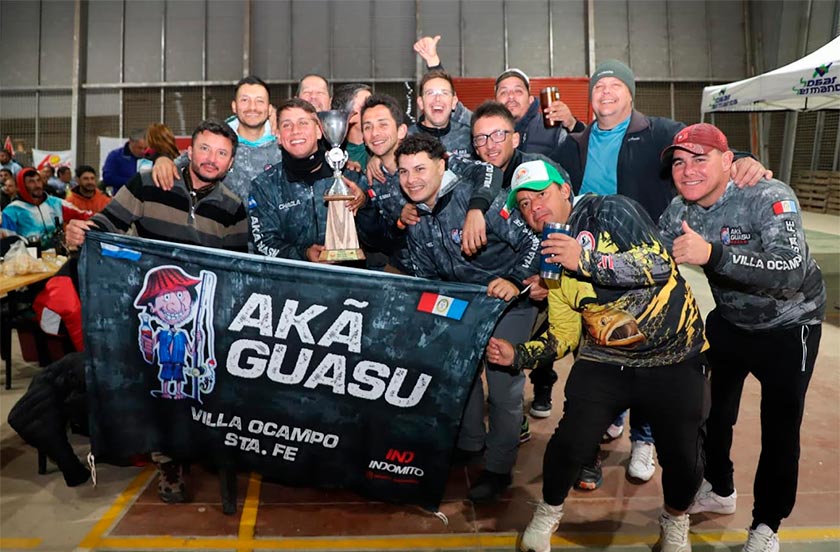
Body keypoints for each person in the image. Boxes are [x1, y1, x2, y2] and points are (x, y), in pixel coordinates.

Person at [555, 59, 772, 483]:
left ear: (630, 93)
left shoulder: (658, 131)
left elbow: (707, 150)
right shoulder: (575, 142)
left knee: (651, 350)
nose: (606, 92)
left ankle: (644, 439)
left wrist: (745, 161)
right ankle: (603, 426)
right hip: (595, 264)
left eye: (615, 85)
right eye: (599, 87)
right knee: (601, 344)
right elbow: (551, 183)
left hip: (646, 262)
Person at [491, 159, 708, 552]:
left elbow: (659, 263)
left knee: (684, 457)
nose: (534, 206)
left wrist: (584, 260)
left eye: (541, 194)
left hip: (674, 356)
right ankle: (549, 511)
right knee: (570, 442)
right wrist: (518, 355)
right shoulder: (550, 262)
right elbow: (563, 336)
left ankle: (676, 519)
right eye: (524, 204)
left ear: (565, 190)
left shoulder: (610, 210)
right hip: (606, 359)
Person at [658, 123, 825, 552]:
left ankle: (767, 524)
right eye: (679, 162)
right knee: (710, 413)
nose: (688, 170)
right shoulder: (680, 210)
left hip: (791, 325)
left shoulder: (767, 195)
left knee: (780, 429)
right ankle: (720, 488)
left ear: (728, 161)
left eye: (700, 159)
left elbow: (789, 269)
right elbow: (652, 259)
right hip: (731, 321)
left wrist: (713, 254)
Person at [67, 118, 248, 504]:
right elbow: (105, 224)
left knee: (204, 388)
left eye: (221, 153)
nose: (211, 158)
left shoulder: (234, 208)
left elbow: (236, 272)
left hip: (205, 318)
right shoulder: (148, 183)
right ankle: (169, 462)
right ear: (189, 150)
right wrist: (80, 233)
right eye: (205, 148)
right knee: (163, 390)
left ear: (231, 162)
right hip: (152, 315)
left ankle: (201, 447)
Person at [397, 134, 540, 503]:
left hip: (510, 303)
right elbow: (426, 277)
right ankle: (470, 443)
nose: (412, 179)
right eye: (404, 172)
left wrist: (515, 280)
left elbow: (533, 241)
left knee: (503, 386)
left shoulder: (477, 201)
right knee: (463, 374)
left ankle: (499, 468)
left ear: (441, 166)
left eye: (420, 169)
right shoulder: (415, 218)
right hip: (464, 304)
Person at [413, 35, 584, 157]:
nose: (511, 96)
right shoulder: (484, 125)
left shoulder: (552, 130)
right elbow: (450, 104)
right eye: (503, 92)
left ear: (530, 99)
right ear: (496, 101)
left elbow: (584, 153)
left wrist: (572, 124)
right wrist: (433, 63)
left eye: (518, 91)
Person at [249, 97, 367, 262]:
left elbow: (379, 239)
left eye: (303, 123)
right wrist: (303, 254)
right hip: (294, 277)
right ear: (278, 135)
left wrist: (365, 205)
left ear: (319, 131)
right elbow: (263, 244)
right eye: (286, 125)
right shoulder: (264, 186)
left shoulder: (351, 176)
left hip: (350, 276)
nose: (295, 131)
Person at [152, 76, 281, 207]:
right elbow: (183, 161)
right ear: (234, 106)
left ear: (269, 109)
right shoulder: (218, 139)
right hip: (221, 218)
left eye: (260, 101)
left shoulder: (283, 143)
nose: (252, 107)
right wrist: (162, 159)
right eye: (244, 100)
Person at [1, 167, 90, 249]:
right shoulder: (11, 211)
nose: (37, 185)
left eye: (38, 180)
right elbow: (8, 243)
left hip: (59, 257)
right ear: (21, 186)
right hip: (28, 258)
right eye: (31, 182)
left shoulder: (56, 203)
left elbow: (85, 216)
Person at [408, 69, 472, 158]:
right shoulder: (407, 138)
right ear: (421, 102)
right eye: (430, 93)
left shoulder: (469, 136)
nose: (437, 98)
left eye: (444, 93)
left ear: (454, 102)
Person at [332, 83, 373, 170]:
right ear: (347, 114)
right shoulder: (332, 153)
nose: (373, 111)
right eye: (366, 106)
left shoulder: (382, 146)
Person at [102, 128, 147, 195]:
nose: (143, 151)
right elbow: (108, 178)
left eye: (145, 148)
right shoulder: (115, 156)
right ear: (131, 142)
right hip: (123, 197)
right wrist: (132, 182)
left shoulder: (149, 157)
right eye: (139, 148)